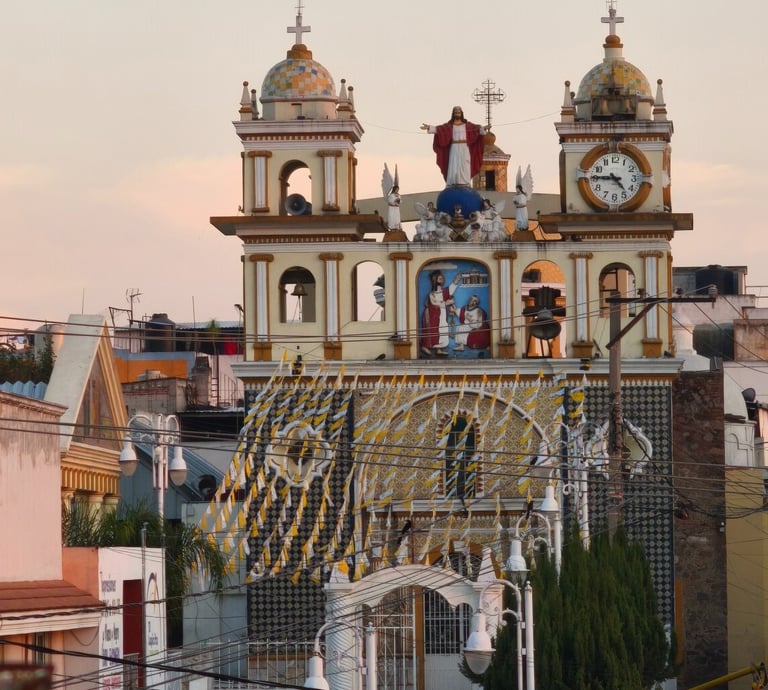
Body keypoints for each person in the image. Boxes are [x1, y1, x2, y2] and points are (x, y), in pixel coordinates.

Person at [421, 106, 488, 186]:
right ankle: (452, 182)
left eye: (458, 112)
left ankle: (465, 183)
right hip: (454, 147)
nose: (457, 113)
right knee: (454, 164)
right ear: (453, 114)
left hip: (464, 147)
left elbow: (477, 130)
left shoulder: (468, 126)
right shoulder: (450, 126)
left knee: (465, 164)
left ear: (461, 114)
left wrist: (484, 128)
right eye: (455, 112)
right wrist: (429, 127)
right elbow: (439, 130)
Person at [420, 271, 461, 356]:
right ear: (435, 280)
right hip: (432, 315)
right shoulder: (432, 294)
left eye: (442, 277)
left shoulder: (444, 291)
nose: (442, 279)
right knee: (432, 330)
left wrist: (456, 280)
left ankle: (439, 349)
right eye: (440, 278)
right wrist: (447, 303)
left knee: (443, 329)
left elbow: (450, 290)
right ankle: (425, 346)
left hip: (442, 314)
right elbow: (435, 304)